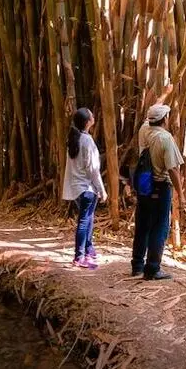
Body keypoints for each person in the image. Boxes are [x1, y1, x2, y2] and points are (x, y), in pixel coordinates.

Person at [131, 87, 186, 280]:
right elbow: (173, 170)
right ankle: (153, 269)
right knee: (159, 227)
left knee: (142, 225)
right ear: (164, 119)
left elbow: (153, 109)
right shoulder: (165, 138)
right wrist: (182, 196)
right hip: (160, 186)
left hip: (144, 185)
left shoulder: (144, 130)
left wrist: (164, 93)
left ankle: (137, 265)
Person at [62, 108, 107, 269]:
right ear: (88, 122)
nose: (94, 116)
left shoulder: (74, 138)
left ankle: (89, 249)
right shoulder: (86, 140)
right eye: (92, 115)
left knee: (88, 219)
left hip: (76, 187)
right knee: (84, 221)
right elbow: (93, 169)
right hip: (87, 188)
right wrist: (101, 189)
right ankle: (79, 256)